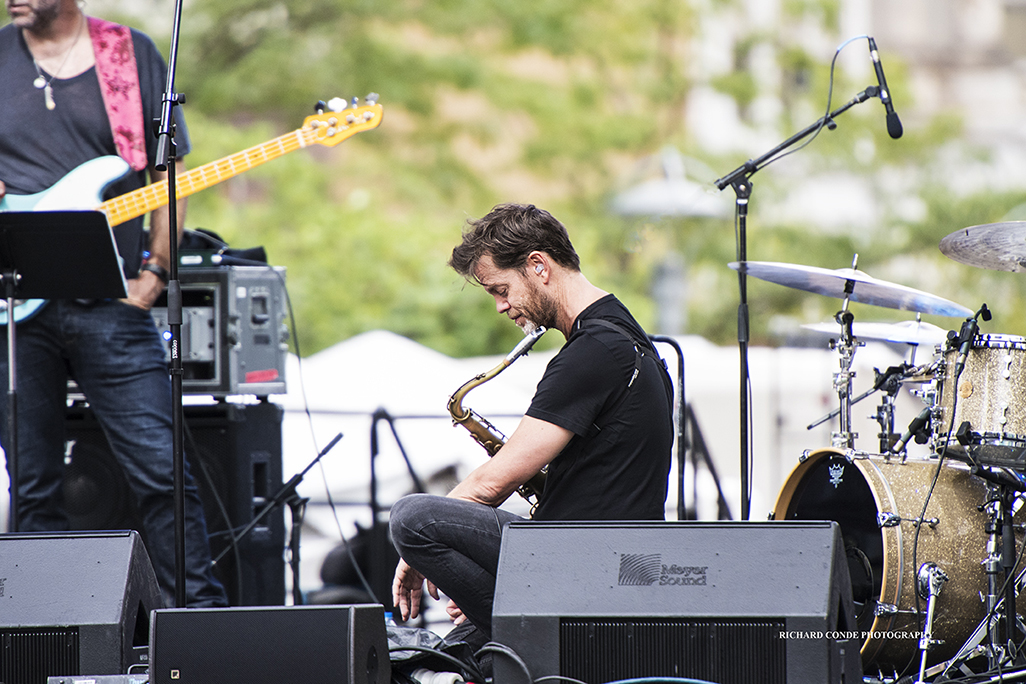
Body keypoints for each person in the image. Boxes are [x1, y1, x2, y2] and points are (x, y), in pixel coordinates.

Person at [0, 0, 227, 607]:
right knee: (32, 484)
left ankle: (199, 625)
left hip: (112, 304)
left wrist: (153, 278)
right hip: (14, 304)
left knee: (162, 473)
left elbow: (169, 181)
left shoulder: (129, 54)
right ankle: (40, 631)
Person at [390, 203, 673, 640]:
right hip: (606, 564)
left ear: (538, 265)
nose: (501, 307)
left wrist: (413, 554)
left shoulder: (593, 352)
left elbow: (491, 485)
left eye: (501, 290)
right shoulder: (632, 341)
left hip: (582, 567)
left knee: (412, 517)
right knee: (444, 657)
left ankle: (521, 632)